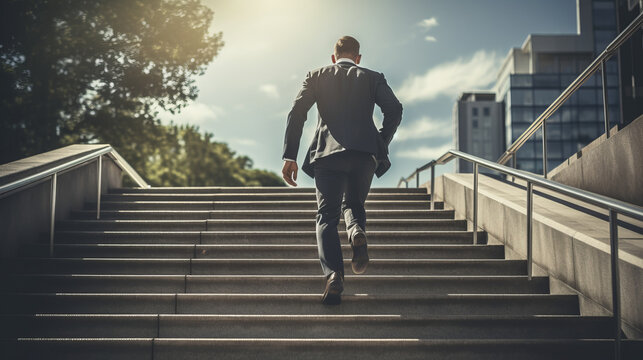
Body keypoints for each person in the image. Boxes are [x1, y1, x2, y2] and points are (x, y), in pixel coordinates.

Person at [281, 35, 403, 305]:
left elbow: (297, 111)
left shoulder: (317, 75)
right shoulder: (372, 77)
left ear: (333, 57)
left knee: (326, 216)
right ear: (358, 58)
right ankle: (356, 231)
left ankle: (334, 276)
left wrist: (290, 155)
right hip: (364, 156)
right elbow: (394, 109)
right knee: (355, 202)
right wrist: (379, 142)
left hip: (328, 155)